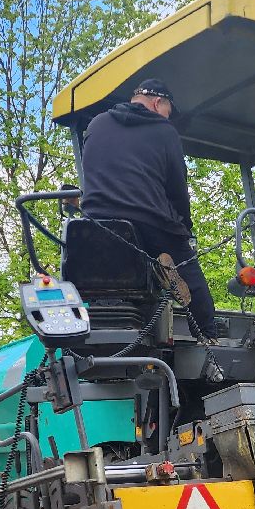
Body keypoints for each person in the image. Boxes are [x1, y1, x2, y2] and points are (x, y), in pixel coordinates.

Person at [78, 78, 218, 339]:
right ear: (157, 103)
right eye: (168, 112)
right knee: (191, 276)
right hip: (149, 220)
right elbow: (177, 186)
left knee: (126, 276)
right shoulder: (164, 131)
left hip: (95, 225)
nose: (168, 118)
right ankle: (208, 338)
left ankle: (117, 319)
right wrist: (184, 228)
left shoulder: (96, 123)